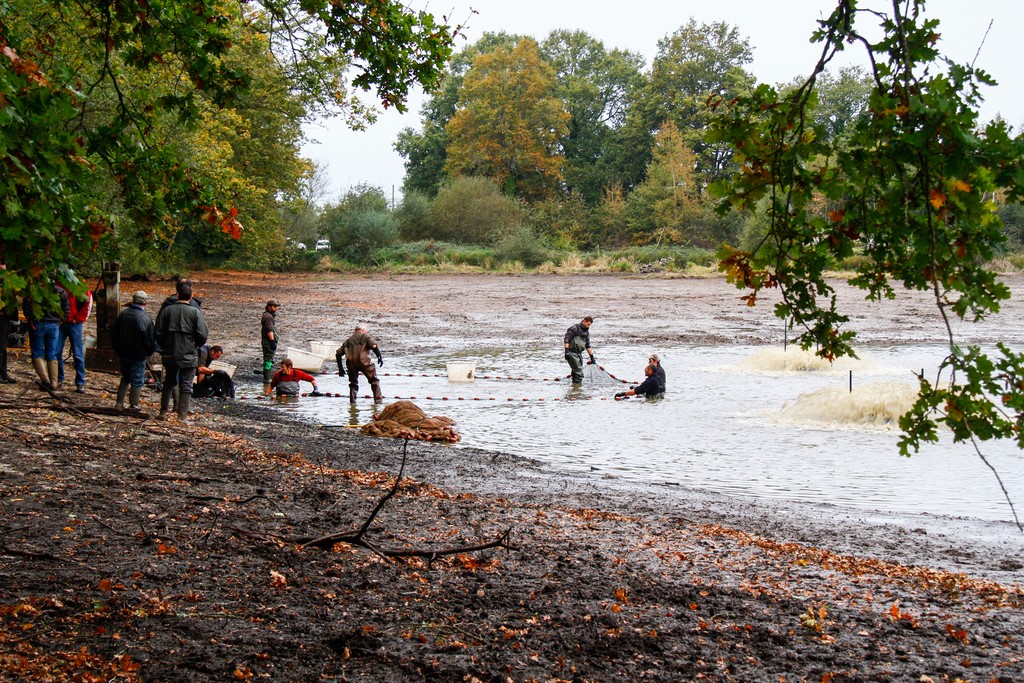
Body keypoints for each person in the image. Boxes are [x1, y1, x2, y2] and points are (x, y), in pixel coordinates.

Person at [155, 279, 208, 423]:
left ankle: (163, 412)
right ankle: (182, 417)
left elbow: (158, 331)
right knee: (186, 384)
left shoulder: (167, 310)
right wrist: (195, 345)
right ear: (191, 297)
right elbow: (203, 334)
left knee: (169, 381)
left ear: (177, 295)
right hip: (188, 353)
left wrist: (165, 345)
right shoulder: (195, 312)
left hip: (170, 352)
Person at [111, 290, 156, 411]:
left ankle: (119, 403)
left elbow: (114, 334)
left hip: (123, 353)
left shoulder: (123, 315)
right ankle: (134, 404)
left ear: (133, 300)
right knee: (137, 380)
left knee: (125, 377)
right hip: (138, 355)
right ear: (145, 303)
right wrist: (148, 352)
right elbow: (149, 339)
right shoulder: (145, 318)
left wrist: (118, 350)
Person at [23, 278, 69, 391]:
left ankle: (45, 381)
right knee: (52, 354)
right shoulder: (61, 292)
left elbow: (26, 307)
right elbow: (66, 311)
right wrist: (58, 322)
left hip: (37, 324)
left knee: (37, 353)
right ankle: (53, 383)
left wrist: (30, 320)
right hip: (53, 325)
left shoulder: (33, 292)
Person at [55, 277, 92, 393]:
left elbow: (88, 301)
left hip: (74, 323)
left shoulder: (80, 283)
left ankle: (80, 382)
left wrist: (79, 319)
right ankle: (58, 378)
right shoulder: (57, 281)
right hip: (61, 322)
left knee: (77, 353)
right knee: (56, 351)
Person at [336, 324, 384, 403]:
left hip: (351, 364)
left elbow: (338, 354)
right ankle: (378, 402)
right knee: (374, 381)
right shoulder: (366, 337)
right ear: (363, 330)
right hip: (364, 362)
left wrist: (341, 368)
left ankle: (353, 403)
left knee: (353, 384)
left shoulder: (348, 340)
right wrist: (379, 357)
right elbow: (374, 346)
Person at [563, 316, 596, 384]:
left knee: (575, 373)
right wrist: (566, 351)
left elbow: (588, 345)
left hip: (579, 354)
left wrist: (592, 357)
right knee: (579, 373)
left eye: (589, 325)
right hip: (571, 353)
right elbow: (566, 340)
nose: (588, 326)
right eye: (588, 324)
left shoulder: (586, 332)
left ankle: (574, 387)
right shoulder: (574, 328)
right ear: (584, 321)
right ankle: (578, 387)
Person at [261, 299, 280, 393]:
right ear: (269, 307)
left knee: (268, 359)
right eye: (274, 306)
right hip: (268, 342)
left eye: (276, 307)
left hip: (267, 341)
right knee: (268, 360)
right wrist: (272, 341)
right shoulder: (268, 317)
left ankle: (266, 377)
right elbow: (269, 330)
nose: (276, 308)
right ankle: (267, 380)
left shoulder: (268, 315)